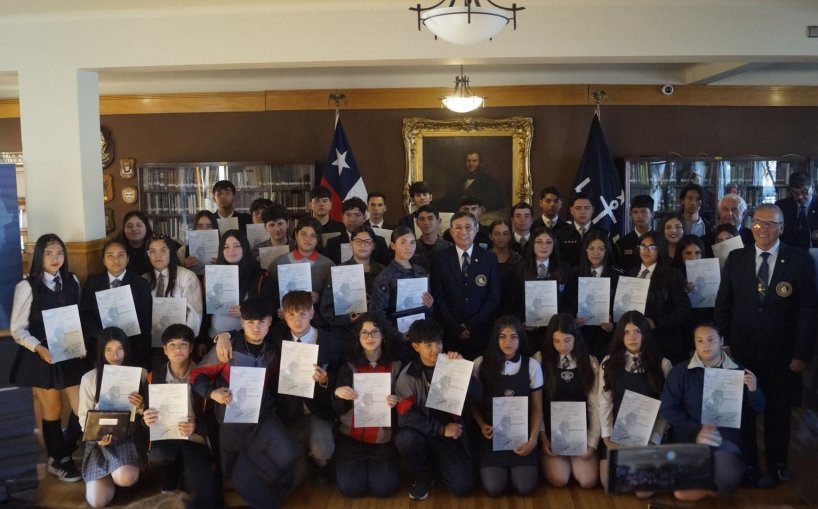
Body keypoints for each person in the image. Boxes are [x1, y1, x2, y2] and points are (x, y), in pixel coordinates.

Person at [714, 203, 817, 486]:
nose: (763, 228)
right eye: (758, 222)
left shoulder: (799, 260)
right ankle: (749, 465)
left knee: (778, 413)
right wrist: (724, 344)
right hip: (742, 351)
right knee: (744, 410)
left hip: (783, 355)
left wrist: (802, 353)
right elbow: (723, 304)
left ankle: (778, 464)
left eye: (771, 223)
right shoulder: (736, 258)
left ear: (781, 228)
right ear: (751, 225)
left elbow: (809, 310)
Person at [192, 298, 302, 508]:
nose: (256, 327)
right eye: (250, 322)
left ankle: (265, 491)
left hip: (263, 416)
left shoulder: (272, 351)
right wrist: (212, 393)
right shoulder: (226, 349)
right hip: (231, 418)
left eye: (261, 322)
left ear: (270, 321)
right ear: (241, 322)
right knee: (233, 468)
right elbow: (197, 376)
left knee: (289, 454)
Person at [660, 322, 765, 500]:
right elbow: (668, 408)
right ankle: (705, 485)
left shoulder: (739, 371)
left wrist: (754, 390)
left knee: (727, 480)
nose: (705, 345)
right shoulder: (680, 372)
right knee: (681, 492)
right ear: (694, 344)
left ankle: (712, 484)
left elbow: (757, 409)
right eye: (699, 341)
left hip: (726, 441)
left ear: (721, 341)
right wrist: (698, 429)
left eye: (710, 339)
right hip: (691, 440)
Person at [10, 234, 84, 482]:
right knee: (52, 410)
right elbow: (17, 330)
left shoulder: (72, 280)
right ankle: (58, 459)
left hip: (71, 354)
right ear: (39, 255)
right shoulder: (27, 286)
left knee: (82, 407)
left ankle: (65, 444)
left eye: (60, 253)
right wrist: (38, 348)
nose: (55, 258)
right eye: (49, 253)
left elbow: (79, 317)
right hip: (43, 356)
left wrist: (81, 343)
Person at [394, 318, 477, 500]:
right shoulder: (407, 376)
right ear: (416, 347)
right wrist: (440, 429)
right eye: (428, 345)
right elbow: (405, 418)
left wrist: (464, 371)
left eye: (438, 342)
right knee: (404, 439)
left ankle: (440, 467)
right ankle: (423, 475)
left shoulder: (453, 363)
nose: (436, 349)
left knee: (463, 487)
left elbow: (478, 397)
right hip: (423, 433)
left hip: (451, 436)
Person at [143, 324, 221, 507]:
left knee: (202, 486)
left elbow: (214, 419)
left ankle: (184, 473)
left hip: (195, 437)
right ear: (164, 349)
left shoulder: (204, 377)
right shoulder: (153, 378)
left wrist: (196, 426)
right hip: (166, 436)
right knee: (160, 454)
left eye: (183, 344)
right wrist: (145, 420)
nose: (177, 350)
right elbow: (145, 415)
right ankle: (175, 470)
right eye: (172, 345)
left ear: (192, 347)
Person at [597, 311, 672, 490]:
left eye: (637, 331)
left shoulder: (663, 364)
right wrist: (607, 435)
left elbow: (667, 408)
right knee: (610, 484)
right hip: (617, 434)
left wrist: (654, 438)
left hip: (649, 436)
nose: (632, 337)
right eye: (627, 332)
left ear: (645, 333)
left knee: (643, 493)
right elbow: (603, 401)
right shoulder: (608, 362)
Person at [330, 313, 401, 498]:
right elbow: (338, 409)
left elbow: (408, 402)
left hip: (383, 439)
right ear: (358, 337)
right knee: (350, 489)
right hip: (351, 437)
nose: (370, 337)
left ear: (383, 334)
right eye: (364, 333)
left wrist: (397, 401)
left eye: (375, 332)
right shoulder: (348, 366)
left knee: (384, 490)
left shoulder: (396, 365)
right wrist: (338, 393)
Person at [470, 316, 542, 496]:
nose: (508, 342)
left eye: (514, 337)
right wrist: (481, 425)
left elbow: (537, 408)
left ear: (520, 339)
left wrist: (532, 441)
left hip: (522, 437)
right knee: (494, 489)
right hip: (492, 437)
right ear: (495, 338)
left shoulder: (532, 365)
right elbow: (472, 403)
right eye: (502, 336)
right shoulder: (480, 364)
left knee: (525, 488)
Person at [78, 328, 147, 508]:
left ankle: (119, 472)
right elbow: (83, 416)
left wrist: (141, 406)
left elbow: (149, 414)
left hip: (127, 437)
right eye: (108, 350)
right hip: (99, 440)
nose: (115, 355)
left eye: (119, 349)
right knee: (97, 502)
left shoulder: (140, 374)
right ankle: (107, 473)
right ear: (101, 352)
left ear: (126, 349)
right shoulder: (89, 378)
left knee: (126, 478)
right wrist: (97, 436)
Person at [538, 313, 600, 489]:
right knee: (560, 479)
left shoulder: (589, 362)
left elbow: (594, 406)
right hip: (551, 433)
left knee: (588, 481)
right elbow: (538, 405)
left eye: (567, 340)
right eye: (556, 341)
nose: (562, 347)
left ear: (576, 337)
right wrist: (543, 438)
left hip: (580, 432)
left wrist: (592, 443)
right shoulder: (540, 360)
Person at [430, 211, 500, 359]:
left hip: (480, 333)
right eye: (458, 227)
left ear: (476, 229)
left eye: (468, 227)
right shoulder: (440, 258)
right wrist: (455, 328)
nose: (463, 232)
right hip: (450, 333)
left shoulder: (489, 258)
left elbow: (493, 297)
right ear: (450, 230)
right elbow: (438, 296)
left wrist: (471, 325)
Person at [81, 240, 153, 370]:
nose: (116, 260)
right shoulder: (93, 283)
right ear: (103, 260)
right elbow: (86, 315)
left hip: (132, 346)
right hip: (101, 346)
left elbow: (145, 319)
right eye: (110, 256)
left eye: (121, 255)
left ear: (128, 258)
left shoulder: (140, 283)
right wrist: (102, 335)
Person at [630, 231, 692, 364]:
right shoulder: (629, 274)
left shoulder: (672, 275)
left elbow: (684, 310)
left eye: (652, 247)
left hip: (663, 341)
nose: (646, 250)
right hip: (635, 342)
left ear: (661, 249)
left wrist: (656, 322)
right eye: (643, 246)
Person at [319, 225, 385, 344]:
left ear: (373, 245)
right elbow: (326, 308)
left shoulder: (383, 272)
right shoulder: (339, 272)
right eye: (358, 241)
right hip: (347, 334)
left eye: (367, 242)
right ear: (351, 243)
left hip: (377, 334)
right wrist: (347, 318)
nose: (362, 245)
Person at [370, 226, 434, 345]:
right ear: (393, 245)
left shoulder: (420, 271)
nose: (408, 247)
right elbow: (377, 313)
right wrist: (397, 335)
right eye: (403, 242)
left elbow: (428, 309)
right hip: (398, 338)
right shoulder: (385, 276)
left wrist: (430, 305)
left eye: (412, 242)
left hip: (422, 335)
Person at [264, 216, 335, 323]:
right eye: (304, 234)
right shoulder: (278, 263)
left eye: (313, 235)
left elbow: (334, 299)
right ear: (296, 235)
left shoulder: (328, 265)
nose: (308, 239)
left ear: (318, 239)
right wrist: (277, 311)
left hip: (317, 323)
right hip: (284, 323)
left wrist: (319, 298)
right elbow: (269, 298)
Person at [207, 229, 266, 338]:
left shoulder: (259, 276)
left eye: (236, 246)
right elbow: (207, 312)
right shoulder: (213, 274)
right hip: (215, 337)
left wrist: (246, 312)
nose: (231, 251)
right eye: (226, 247)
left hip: (245, 338)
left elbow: (267, 308)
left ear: (245, 247)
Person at [145, 235, 203, 337]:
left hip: (179, 341)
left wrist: (184, 340)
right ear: (148, 255)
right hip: (150, 340)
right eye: (152, 251)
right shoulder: (144, 280)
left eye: (163, 250)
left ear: (171, 252)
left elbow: (194, 314)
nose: (157, 255)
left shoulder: (187, 277)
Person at [576, 230, 621, 361]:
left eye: (601, 248)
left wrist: (614, 326)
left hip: (609, 339)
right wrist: (574, 321)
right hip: (581, 337)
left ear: (607, 251)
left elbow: (623, 308)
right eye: (591, 248)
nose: (596, 253)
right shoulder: (575, 274)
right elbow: (569, 303)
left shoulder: (617, 275)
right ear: (585, 250)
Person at [518, 226, 577, 323]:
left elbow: (570, 301)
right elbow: (515, 302)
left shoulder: (564, 269)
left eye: (548, 242)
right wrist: (523, 321)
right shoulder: (521, 269)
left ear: (554, 245)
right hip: (528, 328)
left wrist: (560, 321)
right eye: (539, 242)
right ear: (532, 244)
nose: (544, 246)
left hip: (558, 327)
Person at [325, 197, 390, 266]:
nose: (352, 220)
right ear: (343, 218)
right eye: (348, 215)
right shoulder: (332, 244)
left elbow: (386, 268)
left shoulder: (379, 242)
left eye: (357, 215)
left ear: (364, 218)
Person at [554, 192, 609, 269]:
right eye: (578, 208)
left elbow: (608, 261)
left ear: (593, 210)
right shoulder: (560, 234)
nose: (582, 212)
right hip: (568, 278)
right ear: (571, 210)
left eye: (587, 208)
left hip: (594, 279)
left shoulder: (603, 234)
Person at [488, 219, 523, 317]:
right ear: (490, 236)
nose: (501, 238)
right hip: (487, 314)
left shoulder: (518, 261)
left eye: (505, 233)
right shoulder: (483, 260)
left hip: (512, 313)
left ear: (510, 236)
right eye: (497, 234)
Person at [776, 171, 817, 249]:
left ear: (813, 187)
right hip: (788, 255)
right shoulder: (781, 206)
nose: (800, 197)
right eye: (795, 193)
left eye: (804, 192)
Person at [614, 194, 655, 273]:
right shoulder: (621, 243)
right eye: (635, 212)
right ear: (631, 214)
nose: (639, 216)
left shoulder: (660, 240)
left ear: (652, 214)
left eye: (643, 212)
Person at [178, 210, 218, 277]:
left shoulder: (224, 250)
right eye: (200, 226)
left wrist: (221, 266)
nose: (204, 230)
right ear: (195, 228)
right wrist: (184, 265)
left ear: (214, 228)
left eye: (209, 226)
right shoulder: (183, 251)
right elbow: (174, 275)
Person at [411, 204, 452, 270]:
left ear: (439, 221)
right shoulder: (411, 247)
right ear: (417, 223)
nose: (426, 222)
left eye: (430, 218)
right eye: (422, 219)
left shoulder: (449, 248)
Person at [116, 211, 154, 277]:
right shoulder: (116, 247)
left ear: (146, 227)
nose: (134, 229)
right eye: (130, 226)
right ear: (123, 229)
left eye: (139, 225)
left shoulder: (156, 245)